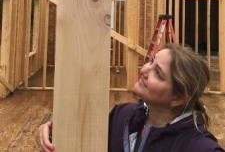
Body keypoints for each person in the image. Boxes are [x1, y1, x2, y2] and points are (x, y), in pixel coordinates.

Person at [36, 43, 225, 152]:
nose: (143, 70)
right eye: (151, 62)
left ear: (178, 98)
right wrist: (54, 131)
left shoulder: (200, 148)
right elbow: (86, 136)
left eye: (157, 73)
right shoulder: (121, 116)